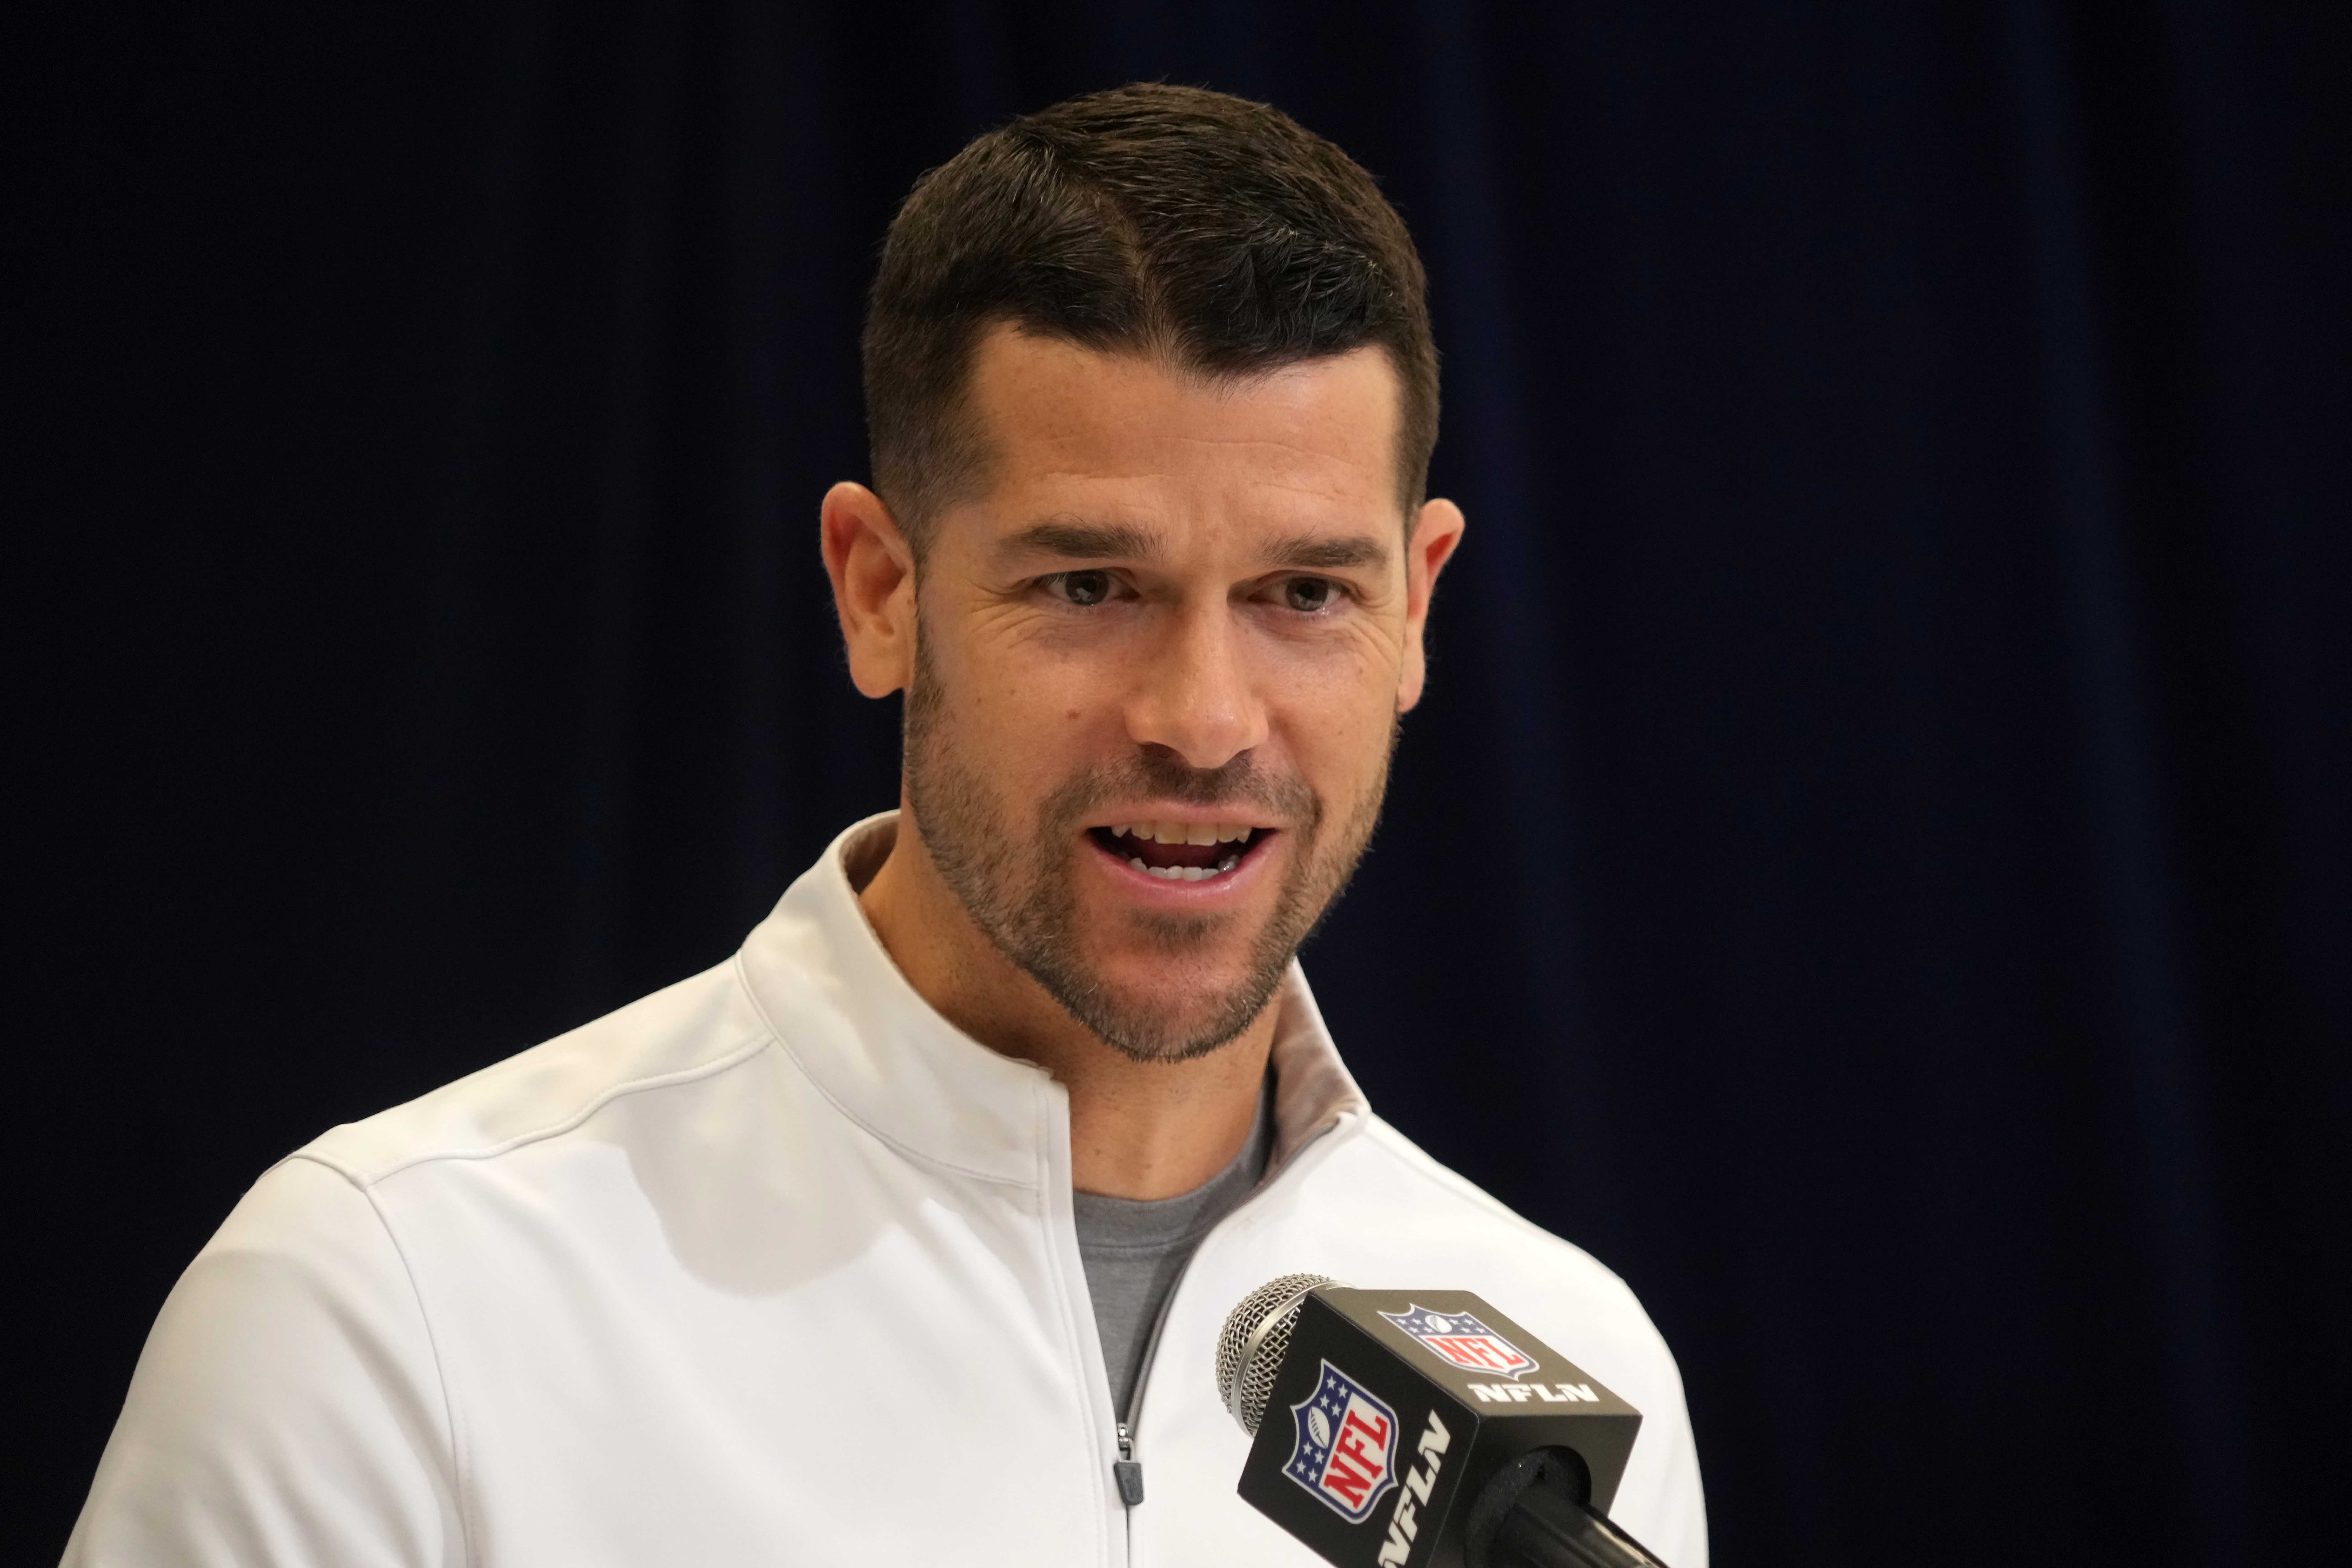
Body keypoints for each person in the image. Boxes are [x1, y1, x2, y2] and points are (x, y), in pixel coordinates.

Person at [66, 83, 1707, 1566]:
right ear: (879, 591)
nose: (1202, 717)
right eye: (1088, 586)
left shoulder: (1572, 1372)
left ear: (1415, 606)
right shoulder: (393, 1303)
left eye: (1301, 593)